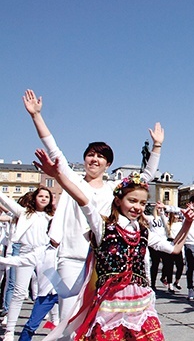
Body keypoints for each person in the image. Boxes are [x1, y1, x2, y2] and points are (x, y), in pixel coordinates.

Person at [22, 89, 163, 327]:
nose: (94, 159)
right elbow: (54, 150)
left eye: (100, 156)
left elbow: (145, 176)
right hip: (73, 257)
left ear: (108, 164)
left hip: (103, 261)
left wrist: (157, 147)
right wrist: (36, 116)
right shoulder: (72, 180)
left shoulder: (114, 189)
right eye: (90, 155)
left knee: (98, 320)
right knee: (69, 318)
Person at [34, 149, 194, 340]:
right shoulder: (103, 226)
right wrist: (58, 176)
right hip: (110, 302)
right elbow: (83, 200)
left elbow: (175, 248)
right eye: (132, 201)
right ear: (118, 201)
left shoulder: (142, 231)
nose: (137, 207)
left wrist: (188, 223)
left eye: (143, 203)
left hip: (140, 302)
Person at [0, 188, 55, 341]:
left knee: (54, 290)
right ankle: (9, 331)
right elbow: (6, 201)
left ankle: (55, 323)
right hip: (26, 253)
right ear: (34, 197)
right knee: (19, 292)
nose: (44, 199)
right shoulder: (24, 213)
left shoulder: (52, 217)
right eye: (41, 196)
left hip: (46, 255)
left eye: (47, 197)